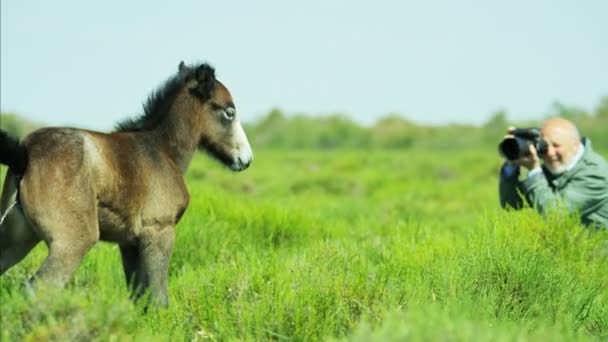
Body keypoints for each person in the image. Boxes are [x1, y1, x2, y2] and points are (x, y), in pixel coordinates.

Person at [499, 117, 608, 229]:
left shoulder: (596, 174)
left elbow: (554, 215)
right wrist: (511, 163)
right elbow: (511, 203)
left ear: (575, 145)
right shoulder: (554, 167)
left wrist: (534, 171)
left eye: (556, 146)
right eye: (545, 146)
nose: (550, 153)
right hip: (570, 243)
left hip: (600, 245)